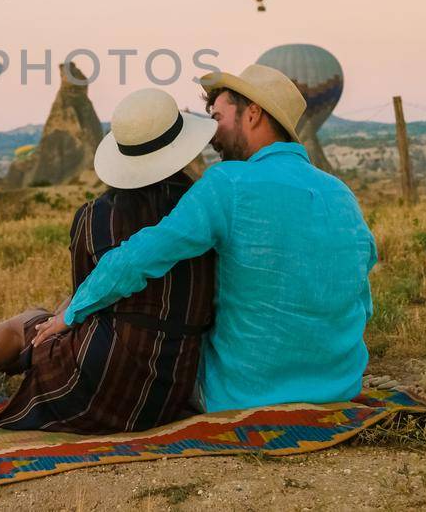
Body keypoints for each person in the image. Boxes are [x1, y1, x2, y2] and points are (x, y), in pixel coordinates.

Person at [32, 64, 378, 412]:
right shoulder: (341, 193)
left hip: (244, 393)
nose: (212, 132)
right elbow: (362, 298)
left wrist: (72, 312)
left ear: (253, 114)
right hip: (338, 387)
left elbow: (143, 254)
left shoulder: (228, 182)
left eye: (217, 116)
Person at [0, 87, 219, 433]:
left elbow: (85, 294)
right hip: (170, 385)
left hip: (98, 384)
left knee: (32, 323)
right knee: (50, 324)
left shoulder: (96, 216)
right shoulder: (205, 212)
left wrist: (54, 321)